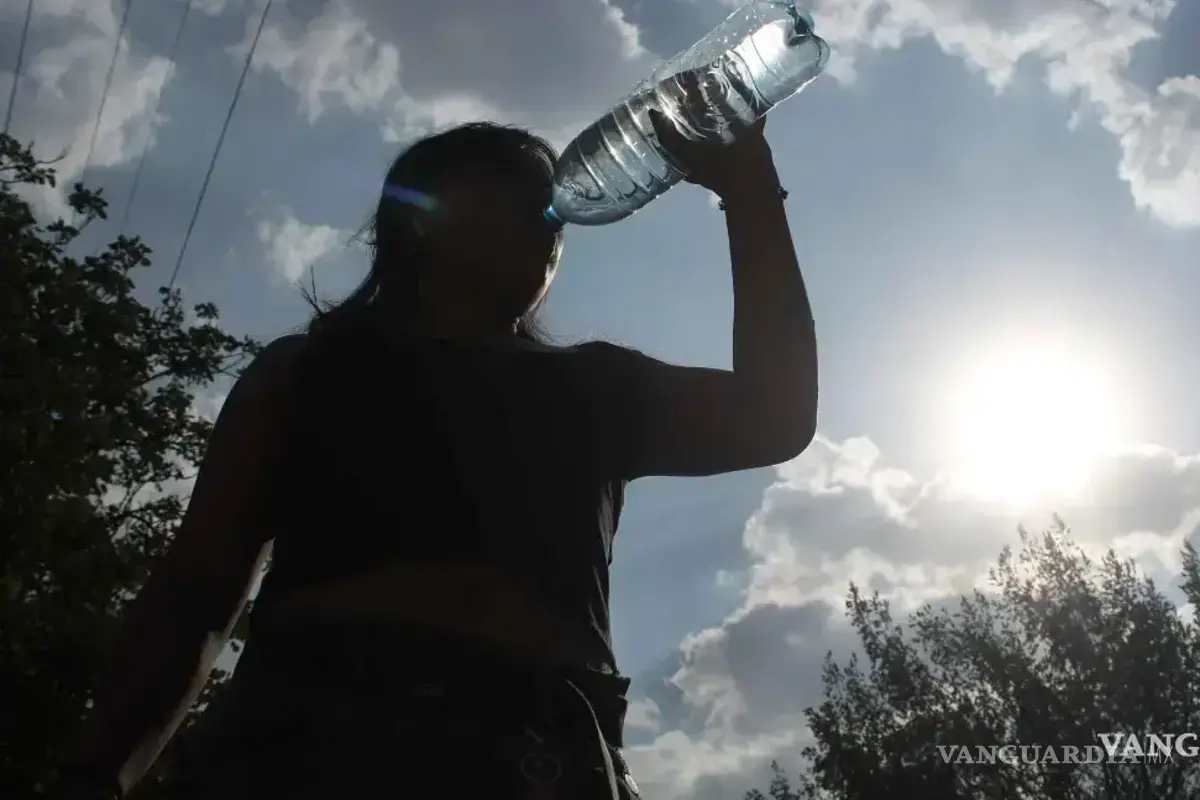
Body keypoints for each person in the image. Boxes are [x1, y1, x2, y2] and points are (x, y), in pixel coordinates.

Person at [56, 111, 818, 800]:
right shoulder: (310, 372)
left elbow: (773, 416)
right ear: (422, 218)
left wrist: (749, 190)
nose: (547, 219)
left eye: (548, 207)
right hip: (306, 745)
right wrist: (99, 774)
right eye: (514, 194)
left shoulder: (592, 386)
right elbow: (198, 593)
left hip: (544, 753)